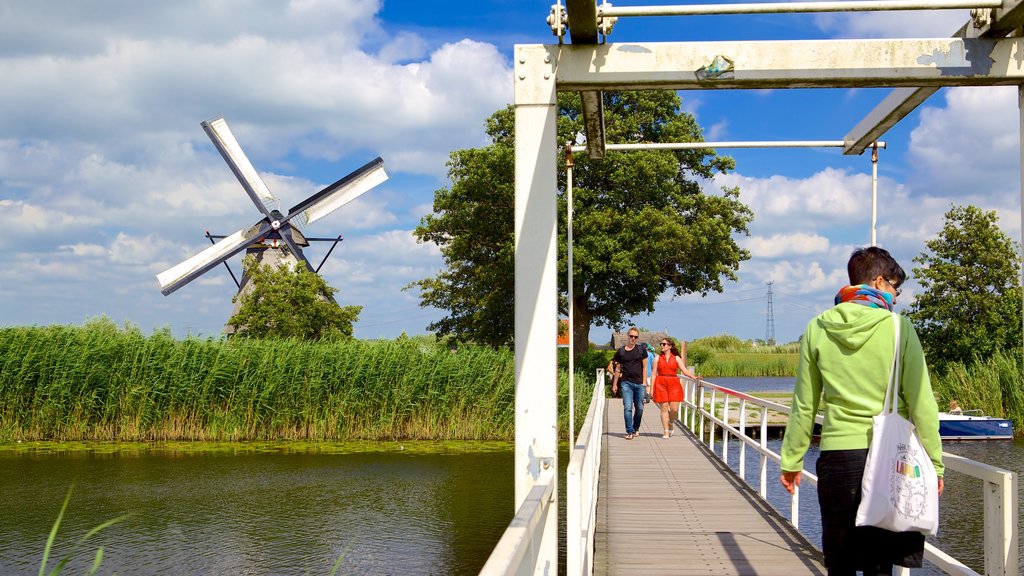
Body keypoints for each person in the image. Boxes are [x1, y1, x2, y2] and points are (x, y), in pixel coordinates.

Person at [779, 246, 944, 576]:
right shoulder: (899, 329)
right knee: (879, 565)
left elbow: (805, 404)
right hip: (889, 458)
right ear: (879, 281)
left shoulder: (818, 327)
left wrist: (792, 460)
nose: (896, 297)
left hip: (838, 457)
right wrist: (936, 463)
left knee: (840, 564)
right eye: (895, 287)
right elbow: (922, 403)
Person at [607, 327, 649, 439]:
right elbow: (617, 369)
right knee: (628, 407)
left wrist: (644, 383)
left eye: (635, 337)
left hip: (639, 383)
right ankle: (630, 431)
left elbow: (645, 367)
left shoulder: (641, 350)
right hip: (626, 383)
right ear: (628, 336)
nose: (633, 338)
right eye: (631, 336)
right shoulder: (621, 351)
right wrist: (615, 384)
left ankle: (636, 428)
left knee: (639, 408)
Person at [652, 337, 699, 438]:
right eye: (661, 344)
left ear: (670, 346)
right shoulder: (657, 358)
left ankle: (670, 422)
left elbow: (684, 370)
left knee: (674, 409)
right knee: (664, 407)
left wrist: (693, 376)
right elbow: (653, 374)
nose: (662, 346)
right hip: (661, 383)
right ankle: (665, 431)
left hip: (674, 383)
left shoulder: (677, 358)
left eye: (664, 344)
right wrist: (651, 388)